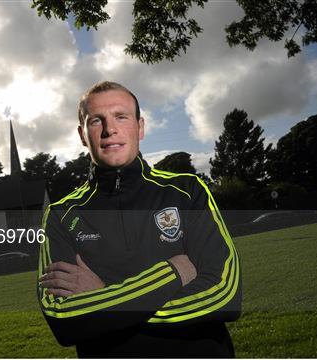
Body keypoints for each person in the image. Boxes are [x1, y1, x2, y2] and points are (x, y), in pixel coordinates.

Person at [37, 81, 241, 358]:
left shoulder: (187, 191)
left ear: (140, 127)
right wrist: (173, 273)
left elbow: (224, 295)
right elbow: (63, 318)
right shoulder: (62, 215)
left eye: (121, 117)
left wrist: (104, 296)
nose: (110, 130)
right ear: (83, 135)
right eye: (96, 121)